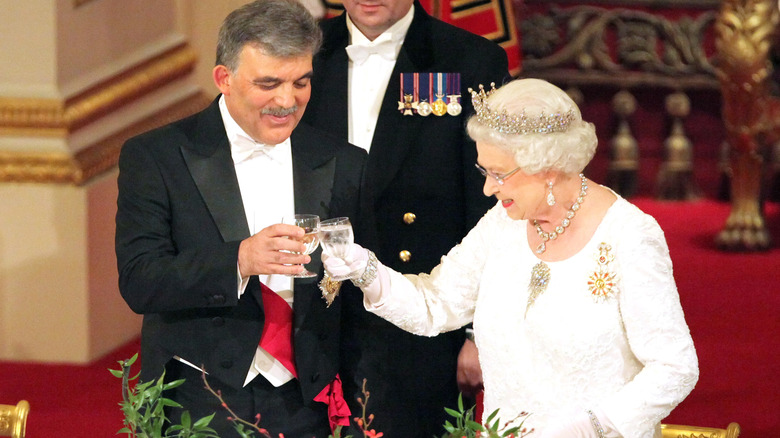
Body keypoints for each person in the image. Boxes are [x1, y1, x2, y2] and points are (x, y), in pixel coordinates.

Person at [323, 78, 699, 437]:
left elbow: (675, 368)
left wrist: (591, 427)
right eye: (484, 171)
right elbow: (435, 305)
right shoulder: (503, 224)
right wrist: (364, 269)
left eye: (499, 174)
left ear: (547, 168)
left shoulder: (629, 236)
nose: (488, 188)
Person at [115, 1, 365, 437]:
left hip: (309, 399)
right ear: (223, 78)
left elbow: (358, 299)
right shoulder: (156, 156)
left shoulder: (344, 163)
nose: (287, 101)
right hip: (198, 395)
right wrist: (240, 259)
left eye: (300, 82)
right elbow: (140, 280)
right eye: (268, 83)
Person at [301, 0, 510, 435]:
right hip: (313, 310)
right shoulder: (302, 49)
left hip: (421, 313)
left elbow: (490, 205)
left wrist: (477, 332)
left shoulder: (468, 58)